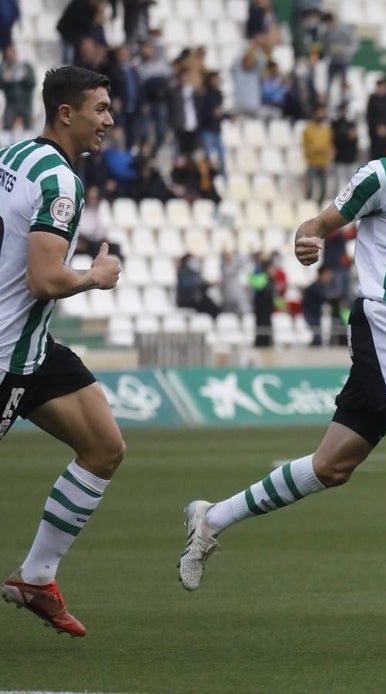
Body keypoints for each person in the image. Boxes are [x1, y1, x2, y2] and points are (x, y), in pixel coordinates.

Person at [179, 74, 386, 622]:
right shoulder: (384, 174)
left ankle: (211, 518)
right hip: (382, 319)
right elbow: (319, 221)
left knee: (332, 466)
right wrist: (308, 240)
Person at [0, 65, 124, 637]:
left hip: (34, 347)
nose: (109, 119)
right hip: (6, 353)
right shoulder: (61, 183)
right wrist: (96, 276)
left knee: (102, 445)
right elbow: (44, 281)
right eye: (100, 109)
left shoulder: (16, 155)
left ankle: (36, 576)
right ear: (66, 114)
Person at [302, 104, 333, 203]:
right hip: (312, 161)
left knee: (324, 188)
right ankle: (307, 206)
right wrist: (320, 149)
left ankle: (319, 206)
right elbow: (307, 146)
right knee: (310, 187)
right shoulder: (308, 129)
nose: (321, 115)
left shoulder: (326, 130)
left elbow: (329, 144)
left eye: (322, 112)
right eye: (319, 112)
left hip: (323, 162)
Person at [1, 45, 34, 129]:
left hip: (25, 102)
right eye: (7, 56)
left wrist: (26, 78)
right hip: (11, 103)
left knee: (29, 128)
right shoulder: (4, 68)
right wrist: (4, 80)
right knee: (7, 126)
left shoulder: (25, 66)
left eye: (11, 55)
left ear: (15, 54)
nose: (10, 58)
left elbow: (33, 83)